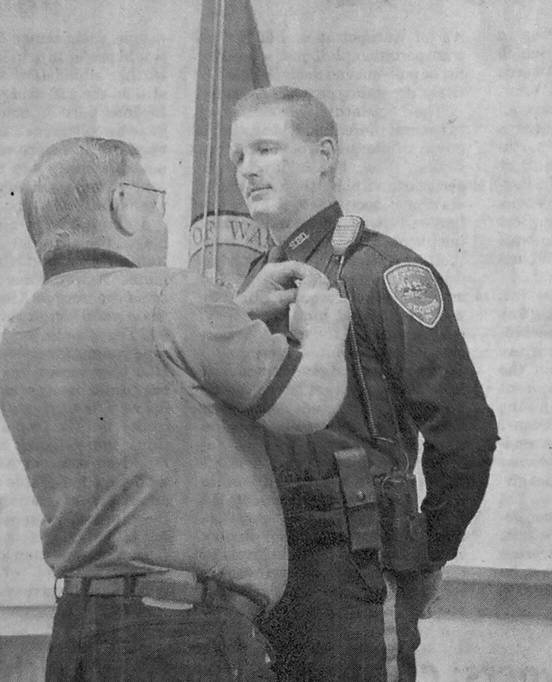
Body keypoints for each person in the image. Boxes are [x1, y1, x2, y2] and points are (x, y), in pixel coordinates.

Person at [0, 136, 352, 680]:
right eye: (153, 198)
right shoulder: (172, 297)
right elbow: (305, 406)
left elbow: (150, 391)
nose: (162, 219)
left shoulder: (19, 332)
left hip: (80, 635)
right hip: (184, 638)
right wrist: (325, 333)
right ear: (121, 204)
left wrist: (233, 313)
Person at [229, 86, 499, 681]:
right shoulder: (252, 282)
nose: (248, 169)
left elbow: (465, 431)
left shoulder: (382, 273)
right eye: (238, 157)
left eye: (266, 149)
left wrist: (430, 549)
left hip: (350, 565)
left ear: (325, 154)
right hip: (262, 562)